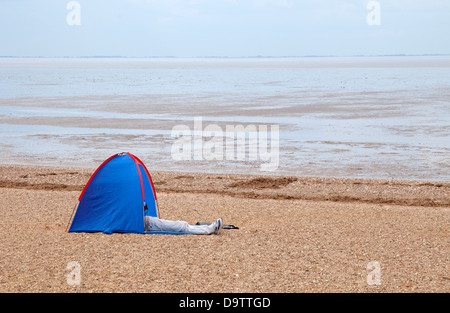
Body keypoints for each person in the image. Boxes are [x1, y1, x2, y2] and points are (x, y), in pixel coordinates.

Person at [144, 215, 223, 235]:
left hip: (150, 221)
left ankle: (209, 228)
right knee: (180, 227)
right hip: (150, 224)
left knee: (180, 225)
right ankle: (211, 229)